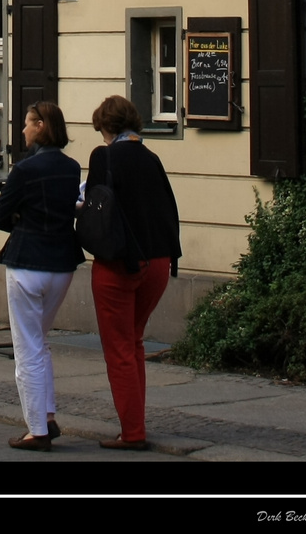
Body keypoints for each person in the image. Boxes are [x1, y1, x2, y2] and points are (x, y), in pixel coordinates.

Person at [85, 95, 181, 451]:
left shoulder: (103, 156)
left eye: (102, 130)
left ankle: (133, 432)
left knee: (119, 348)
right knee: (135, 340)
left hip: (118, 262)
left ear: (107, 127)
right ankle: (135, 423)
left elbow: (96, 202)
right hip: (158, 260)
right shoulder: (152, 158)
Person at [0, 101, 84, 452]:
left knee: (26, 348)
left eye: (27, 123)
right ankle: (47, 415)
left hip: (28, 261)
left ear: (41, 125)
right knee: (40, 342)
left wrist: (20, 220)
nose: (23, 130)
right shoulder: (71, 167)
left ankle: (36, 429)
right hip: (62, 263)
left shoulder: (25, 169)